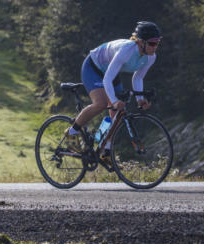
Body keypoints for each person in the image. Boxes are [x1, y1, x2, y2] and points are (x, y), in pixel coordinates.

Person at [66, 21, 161, 149]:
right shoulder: (126, 50)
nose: (155, 47)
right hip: (94, 67)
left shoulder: (151, 57)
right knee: (101, 104)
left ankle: (105, 148)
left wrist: (140, 99)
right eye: (152, 43)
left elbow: (138, 78)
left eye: (157, 43)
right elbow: (107, 79)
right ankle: (72, 132)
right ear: (140, 41)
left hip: (111, 72)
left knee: (118, 113)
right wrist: (114, 101)